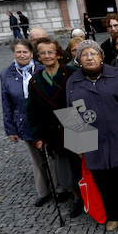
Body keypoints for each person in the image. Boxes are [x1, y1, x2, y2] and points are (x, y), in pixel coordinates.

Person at [66, 40, 118, 231]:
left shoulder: (117, 75)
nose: (89, 57)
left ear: (101, 57)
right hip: (93, 140)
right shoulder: (73, 81)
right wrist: (78, 145)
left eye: (93, 53)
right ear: (79, 60)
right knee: (103, 179)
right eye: (84, 54)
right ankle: (113, 214)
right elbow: (71, 113)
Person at [1, 39, 68, 208]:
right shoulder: (6, 74)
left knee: (54, 157)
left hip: (48, 121)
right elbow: (6, 103)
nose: (22, 55)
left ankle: (60, 188)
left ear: (32, 54)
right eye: (18, 52)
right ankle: (43, 191)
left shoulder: (41, 69)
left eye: (25, 52)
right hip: (25, 122)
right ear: (13, 54)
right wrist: (10, 128)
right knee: (37, 159)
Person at [25, 37, 83, 218]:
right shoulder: (35, 81)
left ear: (58, 54)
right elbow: (32, 111)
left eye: (50, 52)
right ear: (38, 57)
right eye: (43, 53)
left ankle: (93, 196)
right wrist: (38, 137)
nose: (47, 56)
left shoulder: (73, 72)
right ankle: (77, 197)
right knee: (66, 169)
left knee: (85, 165)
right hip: (54, 132)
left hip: (76, 126)